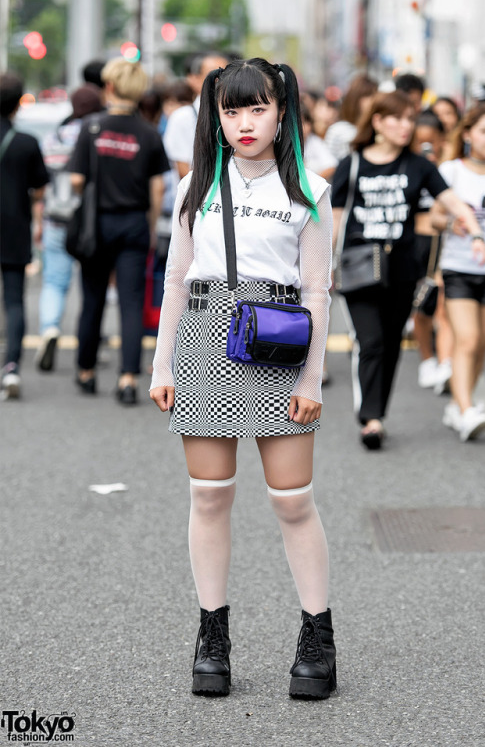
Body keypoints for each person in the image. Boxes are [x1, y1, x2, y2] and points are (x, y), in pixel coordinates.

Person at [150, 58, 335, 700]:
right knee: (210, 495)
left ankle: (317, 634)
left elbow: (317, 289)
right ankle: (212, 634)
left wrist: (312, 380)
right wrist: (161, 362)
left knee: (291, 501)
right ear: (217, 118)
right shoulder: (194, 186)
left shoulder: (308, 188)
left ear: (282, 112)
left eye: (258, 108)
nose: (245, 122)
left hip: (279, 348)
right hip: (204, 340)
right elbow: (175, 279)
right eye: (232, 110)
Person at [330, 91, 485, 449]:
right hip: (359, 270)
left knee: (390, 344)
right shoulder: (351, 165)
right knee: (369, 341)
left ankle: (377, 412)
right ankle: (370, 418)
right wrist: (321, 268)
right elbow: (334, 222)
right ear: (377, 122)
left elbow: (450, 202)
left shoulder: (418, 166)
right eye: (396, 119)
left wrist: (474, 230)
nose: (405, 126)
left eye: (409, 119)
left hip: (402, 271)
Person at [69, 58, 169, 404]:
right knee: (130, 302)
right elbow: (157, 188)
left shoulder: (91, 128)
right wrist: (152, 225)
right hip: (134, 223)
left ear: (108, 88)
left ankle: (86, 371)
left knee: (92, 297)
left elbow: (77, 180)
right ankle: (128, 378)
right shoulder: (149, 133)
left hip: (96, 224)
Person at [430, 105, 485, 441]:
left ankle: (460, 406)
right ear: (468, 134)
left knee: (482, 345)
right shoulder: (451, 171)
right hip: (459, 269)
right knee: (468, 339)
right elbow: (433, 219)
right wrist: (452, 223)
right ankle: (466, 408)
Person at [35, 84, 102, 372]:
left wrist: (38, 222)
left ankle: (50, 328)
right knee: (91, 287)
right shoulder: (98, 135)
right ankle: (90, 342)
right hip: (89, 222)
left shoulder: (53, 138)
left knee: (54, 282)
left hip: (56, 219)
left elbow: (41, 185)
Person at [0, 72, 49, 399]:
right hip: (14, 228)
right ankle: (11, 369)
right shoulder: (27, 143)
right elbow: (40, 188)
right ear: (19, 103)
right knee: (15, 300)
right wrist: (38, 223)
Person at [410, 111, 454, 393]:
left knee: (443, 307)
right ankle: (427, 358)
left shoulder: (449, 168)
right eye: (421, 143)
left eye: (432, 142)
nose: (427, 148)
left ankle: (446, 364)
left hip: (444, 243)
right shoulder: (408, 167)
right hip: (414, 242)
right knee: (420, 306)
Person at [164, 52, 228, 179]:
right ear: (194, 79)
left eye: (226, 75)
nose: (221, 81)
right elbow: (183, 170)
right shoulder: (182, 118)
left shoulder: (237, 115)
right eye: (214, 75)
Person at [324, 74, 378, 162]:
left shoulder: (378, 128)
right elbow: (329, 163)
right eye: (368, 95)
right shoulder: (338, 130)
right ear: (356, 99)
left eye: (375, 95)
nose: (372, 100)